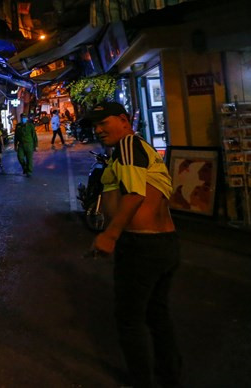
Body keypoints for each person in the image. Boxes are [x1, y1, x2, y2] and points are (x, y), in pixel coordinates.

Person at [87, 102, 180, 388]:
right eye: (96, 125)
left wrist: (110, 235)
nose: (99, 130)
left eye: (105, 122)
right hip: (164, 244)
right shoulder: (139, 149)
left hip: (141, 245)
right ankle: (170, 377)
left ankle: (142, 381)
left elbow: (135, 195)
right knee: (156, 314)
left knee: (129, 319)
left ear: (125, 120)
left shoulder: (128, 143)